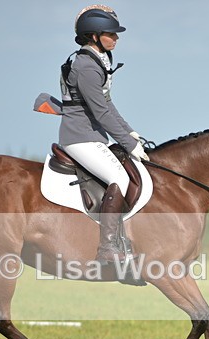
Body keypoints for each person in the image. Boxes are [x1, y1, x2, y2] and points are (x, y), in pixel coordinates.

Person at [59, 5, 148, 263]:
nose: (116, 38)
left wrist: (130, 132)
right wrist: (128, 143)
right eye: (111, 33)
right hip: (80, 137)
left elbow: (108, 104)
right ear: (94, 36)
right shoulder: (87, 67)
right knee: (118, 178)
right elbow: (101, 113)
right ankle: (107, 247)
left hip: (92, 135)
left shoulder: (98, 60)